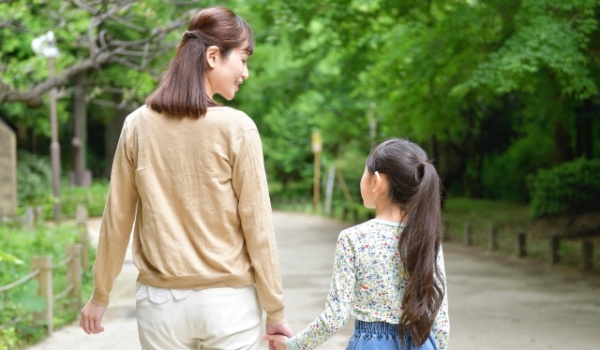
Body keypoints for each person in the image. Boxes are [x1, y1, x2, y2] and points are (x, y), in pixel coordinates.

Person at [79, 6, 293, 349]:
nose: (246, 72)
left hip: (160, 304)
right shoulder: (238, 128)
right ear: (213, 56)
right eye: (243, 59)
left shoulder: (138, 124)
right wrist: (276, 313)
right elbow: (258, 227)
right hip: (229, 304)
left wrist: (100, 294)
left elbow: (117, 218)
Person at [264, 138, 450, 350]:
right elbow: (440, 320)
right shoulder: (425, 237)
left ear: (376, 181)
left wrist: (293, 345)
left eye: (364, 172)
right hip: (421, 342)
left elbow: (335, 317)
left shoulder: (354, 238)